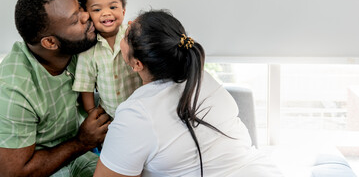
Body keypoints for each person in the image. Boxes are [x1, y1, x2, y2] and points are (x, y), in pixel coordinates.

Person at [94, 10, 282, 176]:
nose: (126, 25)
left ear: (137, 64)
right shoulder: (202, 77)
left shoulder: (135, 115)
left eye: (126, 35)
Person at [0, 0, 111, 177]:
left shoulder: (81, 45)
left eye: (81, 8)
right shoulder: (14, 90)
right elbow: (14, 172)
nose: (87, 16)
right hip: (43, 164)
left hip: (79, 153)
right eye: (75, 20)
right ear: (50, 43)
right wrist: (81, 142)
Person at [73, 0, 142, 118]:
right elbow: (86, 86)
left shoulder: (133, 36)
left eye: (112, 7)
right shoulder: (88, 50)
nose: (106, 13)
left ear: (123, 11)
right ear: (87, 15)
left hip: (141, 108)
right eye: (97, 9)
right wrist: (93, 113)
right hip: (111, 115)